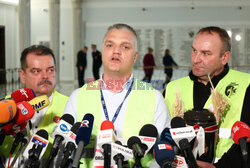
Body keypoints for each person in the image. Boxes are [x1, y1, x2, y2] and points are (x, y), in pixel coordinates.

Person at [64, 23, 171, 168]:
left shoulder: (155, 98)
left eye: (125, 47)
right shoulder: (78, 96)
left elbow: (162, 153)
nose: (116, 51)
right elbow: (67, 151)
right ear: (102, 51)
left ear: (135, 57)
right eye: (109, 45)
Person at [165, 26, 250, 162]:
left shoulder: (246, 85)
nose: (196, 59)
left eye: (205, 53)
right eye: (194, 51)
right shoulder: (172, 88)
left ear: (224, 57)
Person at [0, 45, 69, 167]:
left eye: (50, 70)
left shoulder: (70, 106)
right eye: (36, 71)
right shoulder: (5, 106)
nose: (45, 76)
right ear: (23, 75)